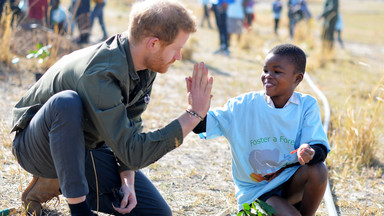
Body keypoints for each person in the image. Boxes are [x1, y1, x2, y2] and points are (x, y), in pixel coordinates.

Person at [11, 0, 213, 215]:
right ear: (153, 44)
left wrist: (127, 180)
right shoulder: (101, 72)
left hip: (88, 144)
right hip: (38, 146)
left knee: (156, 212)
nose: (179, 57)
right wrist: (193, 115)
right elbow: (135, 153)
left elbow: (131, 130)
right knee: (66, 102)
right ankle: (76, 204)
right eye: (177, 49)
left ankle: (59, 183)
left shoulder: (145, 64)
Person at [193, 43, 330, 215]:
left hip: (289, 183)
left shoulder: (306, 105)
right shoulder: (242, 106)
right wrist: (196, 110)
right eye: (265, 70)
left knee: (318, 170)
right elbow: (201, 126)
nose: (268, 76)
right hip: (257, 192)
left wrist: (309, 151)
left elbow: (320, 148)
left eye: (277, 72)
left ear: (297, 79)